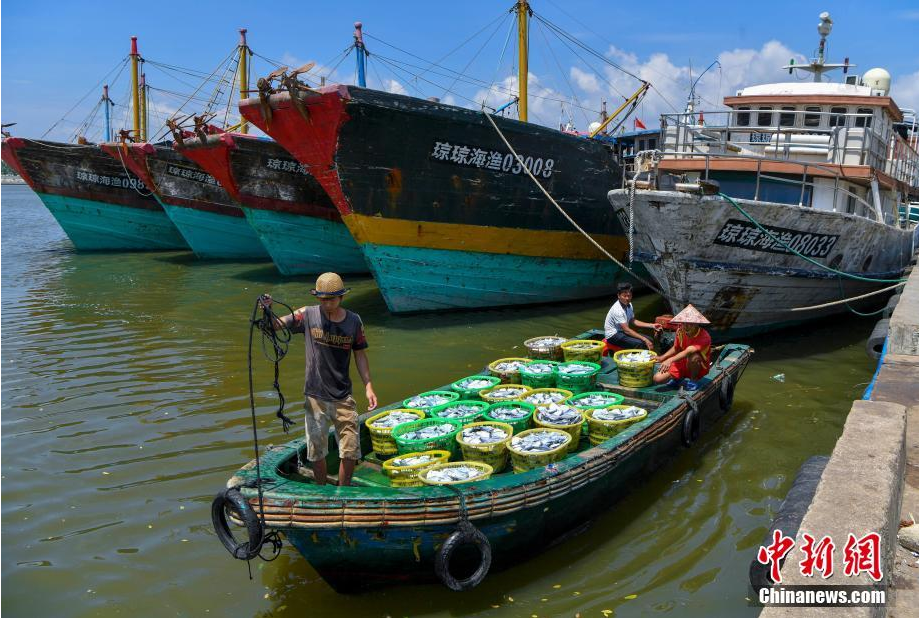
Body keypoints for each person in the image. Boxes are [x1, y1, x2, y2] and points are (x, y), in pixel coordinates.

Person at [261, 273, 377, 487]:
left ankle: (343, 491)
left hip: (343, 395)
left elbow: (360, 354)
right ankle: (322, 489)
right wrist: (268, 309)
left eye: (331, 299)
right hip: (315, 396)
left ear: (341, 297)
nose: (327, 304)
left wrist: (368, 386)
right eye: (323, 299)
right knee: (316, 450)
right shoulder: (307, 315)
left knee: (350, 450)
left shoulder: (354, 321)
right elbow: (276, 325)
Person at [652, 304, 712, 390]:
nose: (686, 326)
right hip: (681, 361)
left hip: (698, 365)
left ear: (697, 324)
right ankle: (678, 377)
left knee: (694, 357)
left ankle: (693, 379)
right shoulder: (680, 331)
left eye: (690, 324)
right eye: (684, 323)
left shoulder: (704, 336)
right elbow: (676, 348)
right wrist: (662, 357)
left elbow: (688, 351)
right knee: (657, 378)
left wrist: (670, 360)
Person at [604, 282, 662, 351]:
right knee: (641, 343)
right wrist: (644, 339)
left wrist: (652, 325)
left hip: (622, 331)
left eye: (629, 296)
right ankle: (637, 360)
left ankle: (644, 357)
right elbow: (627, 330)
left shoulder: (629, 305)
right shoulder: (617, 310)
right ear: (618, 295)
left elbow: (632, 320)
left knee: (650, 339)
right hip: (613, 335)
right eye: (624, 296)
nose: (627, 298)